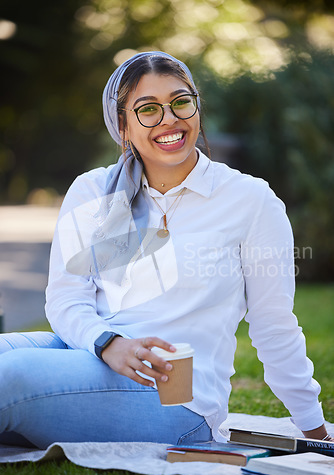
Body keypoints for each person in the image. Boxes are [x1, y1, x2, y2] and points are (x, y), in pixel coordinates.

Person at [0, 51, 332, 449]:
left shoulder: (250, 200)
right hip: (94, 352)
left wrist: (315, 431)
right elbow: (66, 299)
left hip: (176, 399)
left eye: (180, 102)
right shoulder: (92, 191)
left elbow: (273, 325)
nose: (169, 119)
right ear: (122, 126)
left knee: (12, 373)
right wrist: (108, 343)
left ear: (196, 106)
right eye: (148, 110)